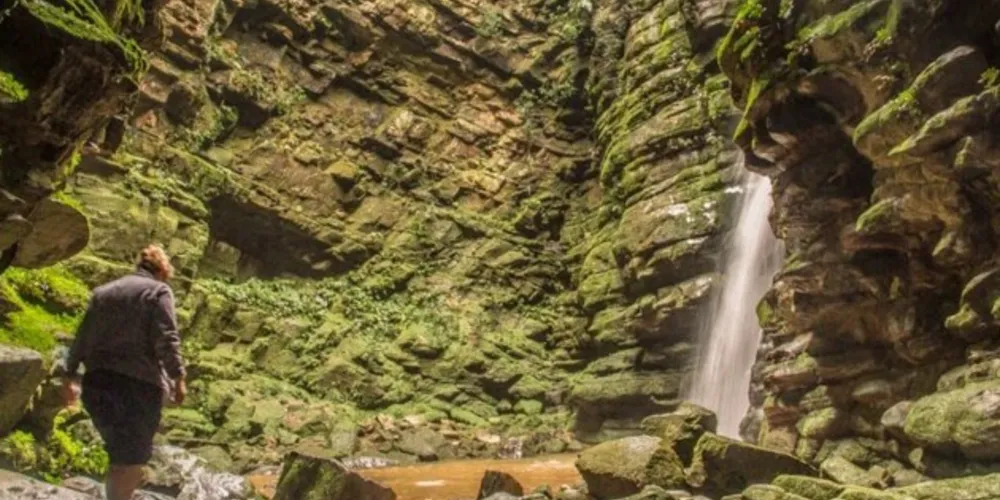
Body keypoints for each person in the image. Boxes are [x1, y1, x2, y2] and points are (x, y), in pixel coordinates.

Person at [61, 245, 187, 500]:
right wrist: (178, 378)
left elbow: (82, 337)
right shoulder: (158, 291)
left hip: (97, 383)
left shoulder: (103, 293)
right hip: (137, 387)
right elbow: (167, 338)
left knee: (119, 453)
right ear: (163, 271)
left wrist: (68, 374)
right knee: (133, 457)